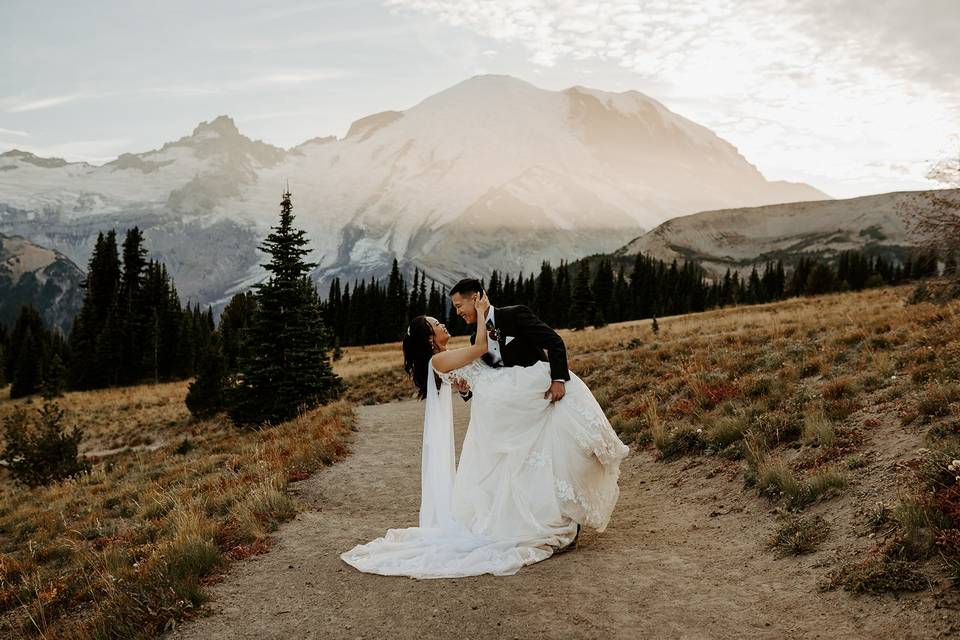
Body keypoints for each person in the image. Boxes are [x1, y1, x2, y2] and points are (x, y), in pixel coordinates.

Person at [339, 287, 629, 578]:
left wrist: (468, 386)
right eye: (436, 324)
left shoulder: (452, 353)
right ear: (429, 338)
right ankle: (545, 518)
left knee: (537, 456)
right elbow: (480, 350)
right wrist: (480, 315)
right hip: (500, 406)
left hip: (504, 399)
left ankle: (557, 510)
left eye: (452, 310)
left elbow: (478, 374)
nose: (445, 321)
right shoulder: (438, 360)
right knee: (521, 463)